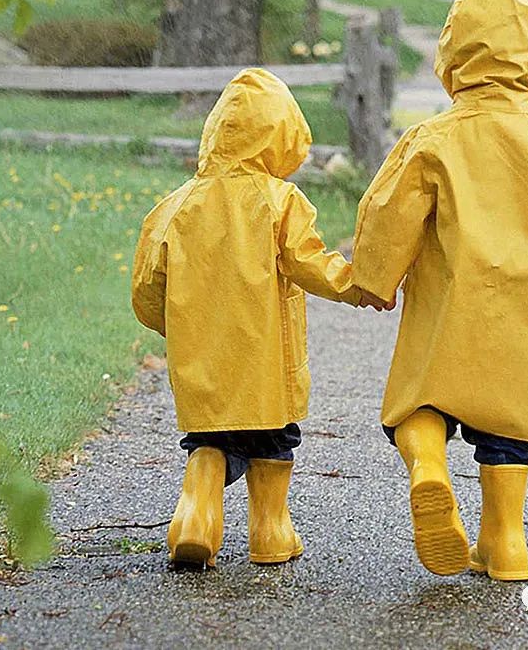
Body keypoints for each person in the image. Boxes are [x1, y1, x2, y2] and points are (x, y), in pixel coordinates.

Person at [351, 0, 528, 581]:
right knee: (508, 428)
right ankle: (507, 543)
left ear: (452, 56)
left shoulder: (432, 139)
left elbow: (389, 211)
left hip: (448, 306)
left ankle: (428, 471)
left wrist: (375, 277)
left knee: (417, 404)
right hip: (522, 315)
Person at [132, 68, 386, 568]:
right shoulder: (279, 201)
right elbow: (308, 261)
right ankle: (269, 533)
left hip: (202, 361)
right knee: (274, 438)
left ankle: (195, 516)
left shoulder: (176, 206)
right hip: (268, 360)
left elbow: (146, 286)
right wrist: (357, 286)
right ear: (281, 137)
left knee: (209, 440)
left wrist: (177, 325)